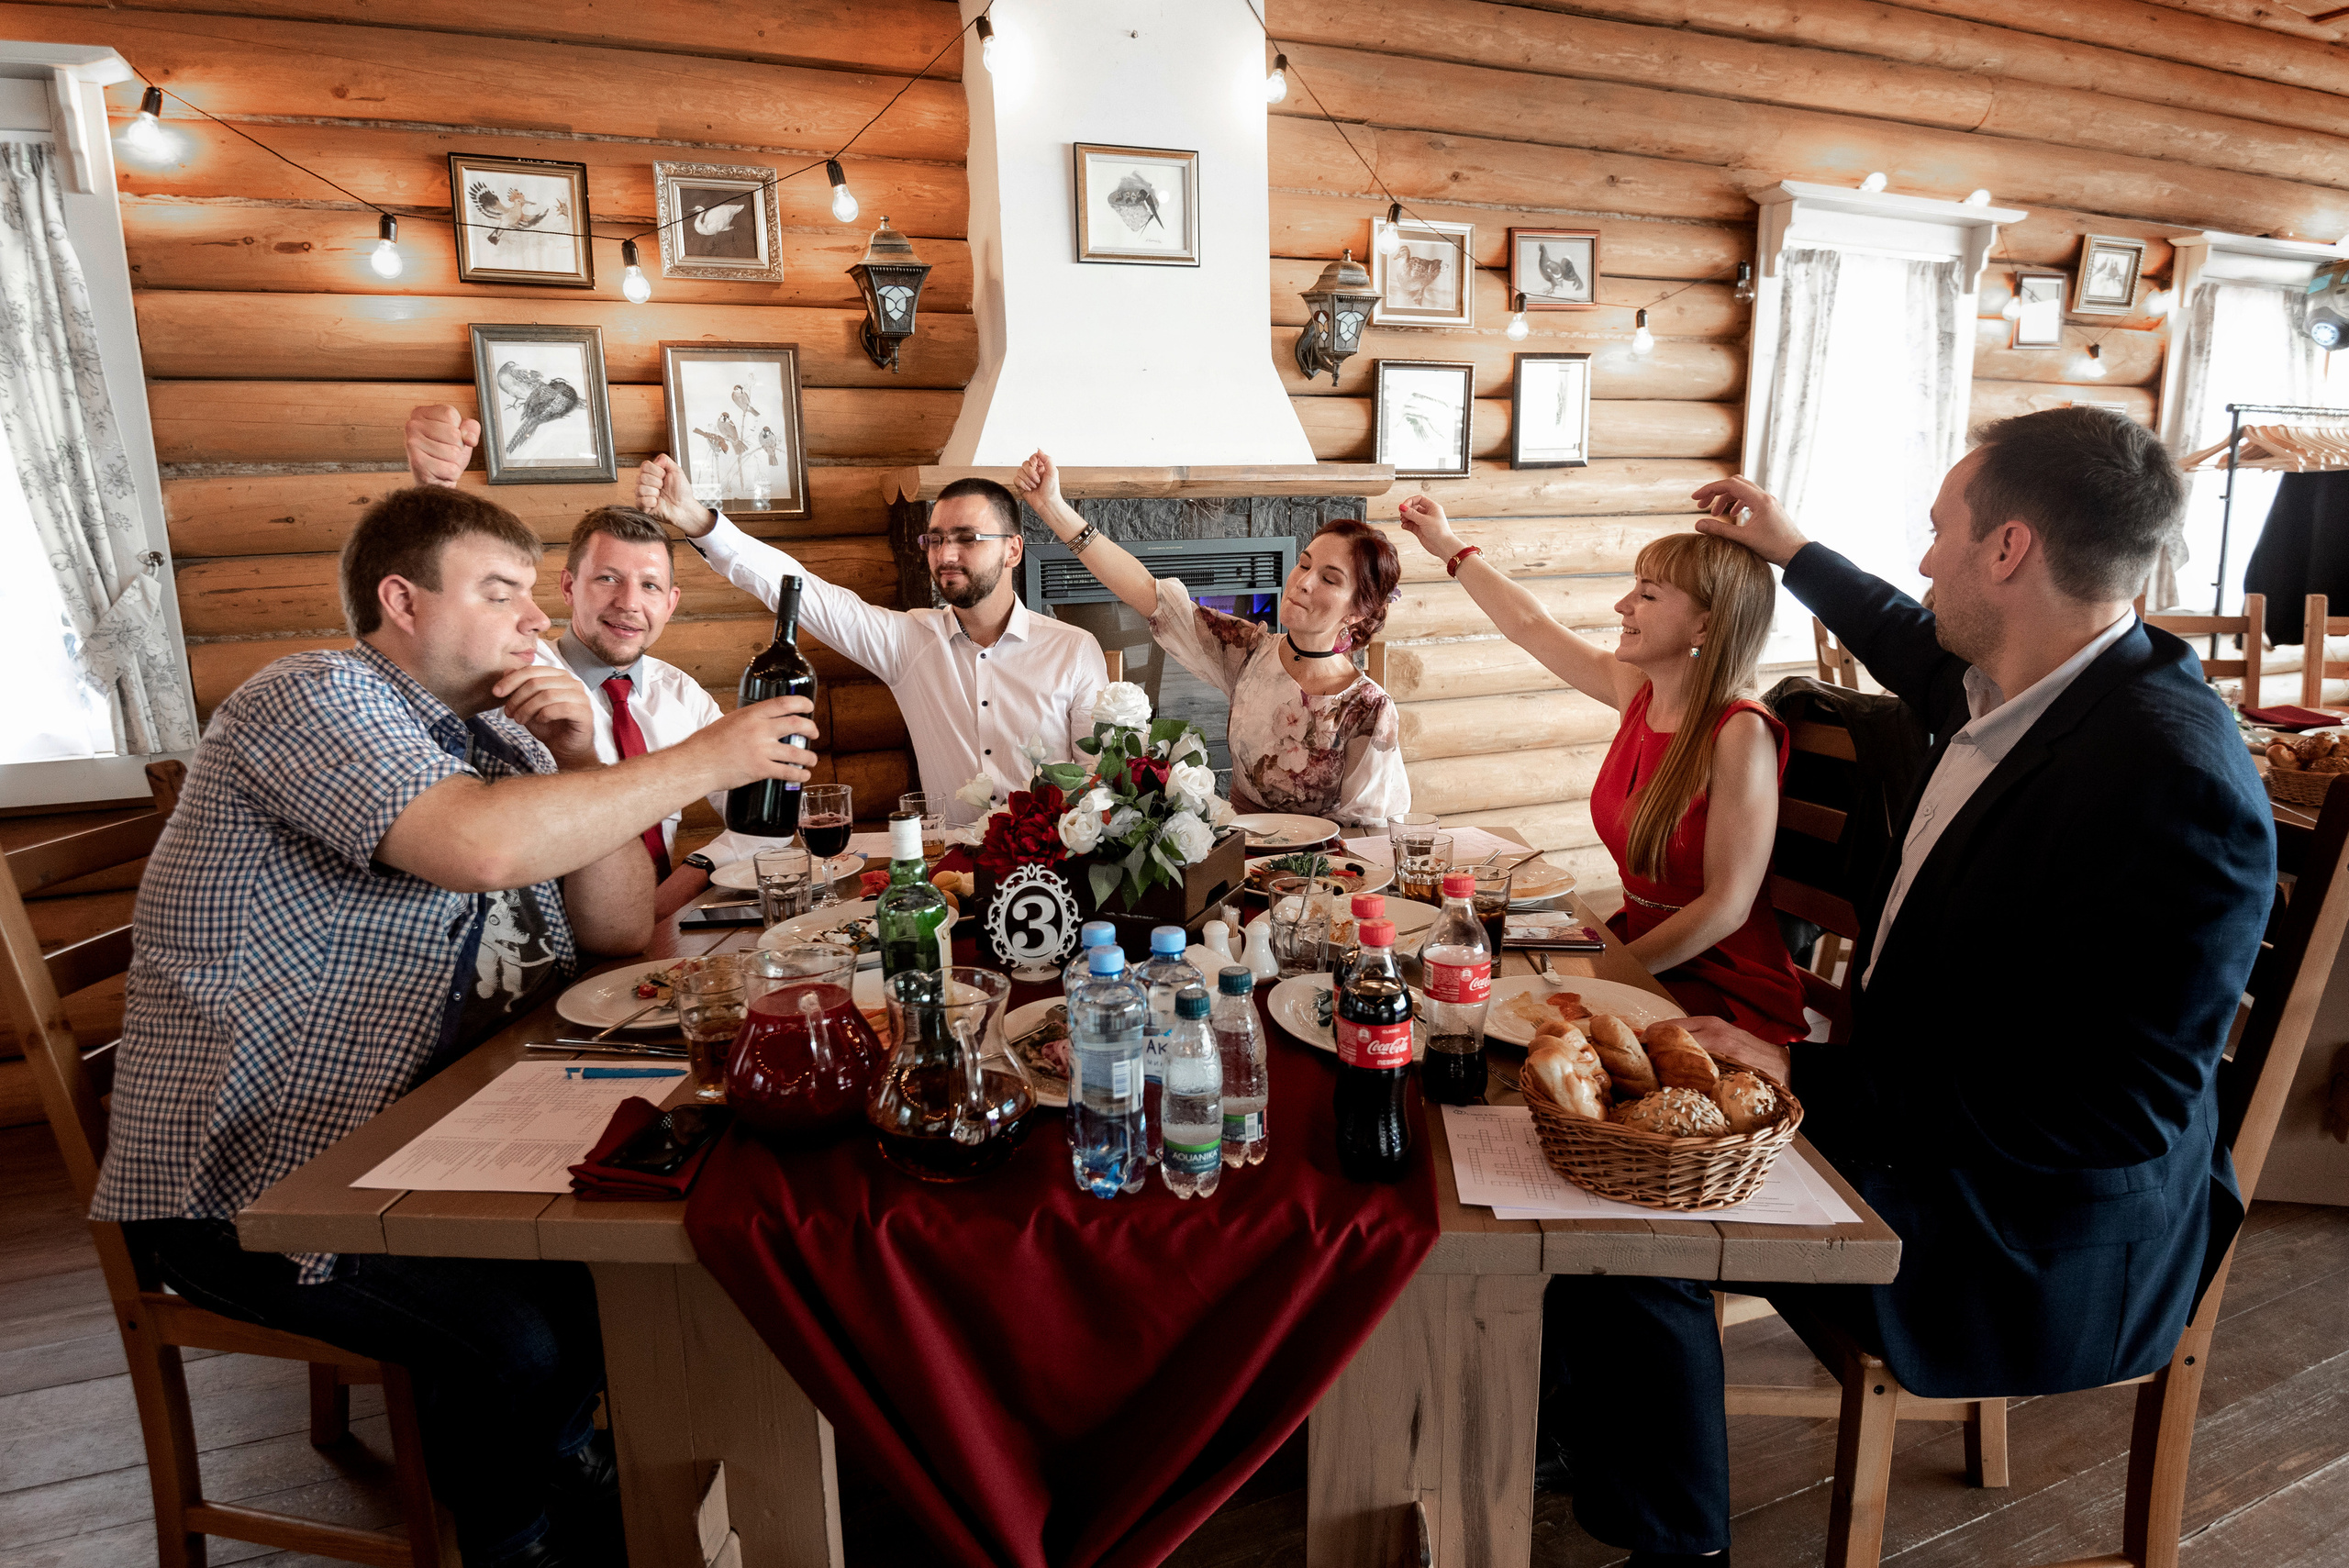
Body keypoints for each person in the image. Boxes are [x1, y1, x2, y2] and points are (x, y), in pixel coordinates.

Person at [1542, 408, 2275, 1565]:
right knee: (1579, 1154)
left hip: (2025, 1228)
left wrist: (1804, 1074)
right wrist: (1789, 548)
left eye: (1939, 533)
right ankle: (1597, 1439)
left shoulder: (2167, 780)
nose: (1922, 558)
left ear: (2008, 549)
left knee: (1630, 1220)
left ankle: (1674, 1545)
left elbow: (2109, 1111)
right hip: (1930, 1133)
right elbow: (1901, 631)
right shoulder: (2027, 680)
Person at [91, 485, 820, 1568]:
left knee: (673, 1230)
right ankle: (522, 1537)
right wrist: (708, 759)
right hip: (256, 1172)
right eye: (502, 591)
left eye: (534, 594)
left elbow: (619, 927)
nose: (537, 619)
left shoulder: (502, 727)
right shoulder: (312, 696)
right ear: (402, 600)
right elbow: (476, 848)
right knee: (525, 1332)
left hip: (440, 1120)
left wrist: (585, 760)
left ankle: (606, 1470)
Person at [1397, 495, 1809, 1041]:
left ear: (1705, 628)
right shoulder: (1638, 691)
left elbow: (1726, 908)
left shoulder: (1740, 732)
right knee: (1474, 988)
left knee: (1518, 1028)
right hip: (1637, 948)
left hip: (1720, 978)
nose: (1622, 606)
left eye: (1646, 595)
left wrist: (1613, 974)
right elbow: (1528, 624)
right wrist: (1447, 545)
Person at [406, 405, 767, 916]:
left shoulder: (681, 694)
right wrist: (433, 492)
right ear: (568, 587)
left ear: (671, 602)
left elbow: (765, 818)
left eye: (649, 586)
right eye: (607, 579)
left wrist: (692, 875)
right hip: (543, 944)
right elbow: (442, 636)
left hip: (643, 935)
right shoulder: (512, 671)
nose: (629, 603)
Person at [628, 450, 1109, 809]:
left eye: (967, 539)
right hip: (951, 884)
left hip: (1057, 879)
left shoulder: (1073, 651)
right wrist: (698, 520)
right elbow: (805, 592)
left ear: (1013, 550)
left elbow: (1099, 785)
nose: (945, 556)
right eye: (936, 539)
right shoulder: (909, 642)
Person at [1014, 450, 1409, 828]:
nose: (1302, 583)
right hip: (1240, 852)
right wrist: (1052, 507)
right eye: (1304, 564)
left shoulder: (1368, 708)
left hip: (1319, 878)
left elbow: (1367, 830)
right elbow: (1146, 592)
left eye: (1328, 578)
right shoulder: (1248, 651)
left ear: (1357, 611)